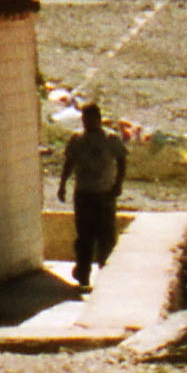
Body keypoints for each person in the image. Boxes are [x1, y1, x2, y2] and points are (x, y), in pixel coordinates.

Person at [59, 100, 128, 288]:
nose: (87, 123)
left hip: (104, 194)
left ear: (98, 119)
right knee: (84, 236)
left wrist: (117, 184)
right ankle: (83, 273)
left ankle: (106, 275)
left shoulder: (110, 139)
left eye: (90, 119)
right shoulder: (77, 140)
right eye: (84, 120)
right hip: (84, 194)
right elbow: (70, 163)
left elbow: (122, 161)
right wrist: (63, 184)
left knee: (105, 235)